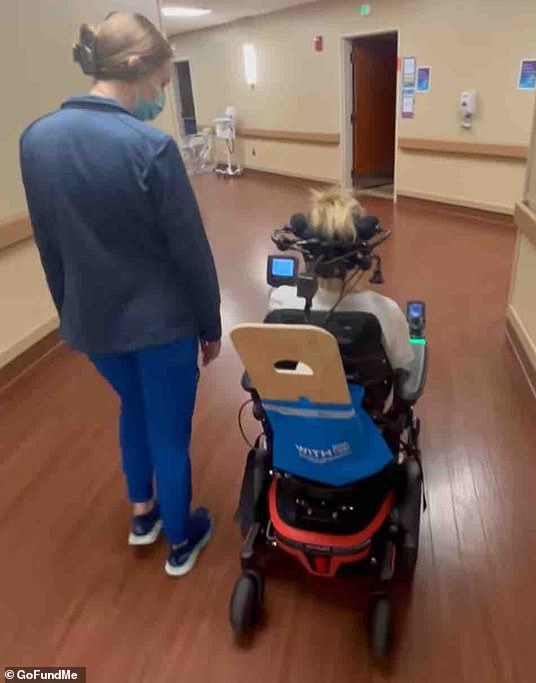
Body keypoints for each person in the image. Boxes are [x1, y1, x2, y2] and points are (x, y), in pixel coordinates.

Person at [19, 12, 221, 577]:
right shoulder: (149, 148)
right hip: (162, 327)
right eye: (161, 84)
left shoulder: (35, 141)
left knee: (132, 407)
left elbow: (48, 244)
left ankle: (143, 516)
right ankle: (181, 541)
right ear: (136, 71)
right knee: (169, 430)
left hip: (96, 326)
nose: (161, 95)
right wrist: (211, 325)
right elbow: (191, 253)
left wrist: (70, 317)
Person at [269, 187, 414, 371]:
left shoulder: (280, 300)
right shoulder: (385, 312)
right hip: (365, 400)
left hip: (294, 396)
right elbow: (404, 367)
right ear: (361, 254)